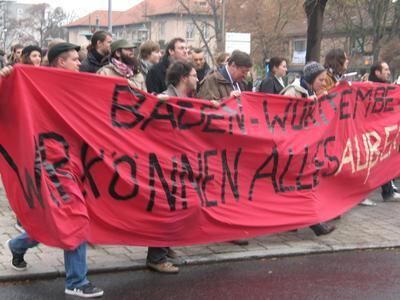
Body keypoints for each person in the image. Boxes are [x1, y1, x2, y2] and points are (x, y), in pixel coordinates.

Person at [1, 42, 104, 298]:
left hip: (75, 164)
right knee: (74, 216)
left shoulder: (80, 86)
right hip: (46, 165)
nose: (80, 63)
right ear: (60, 62)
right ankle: (76, 281)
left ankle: (17, 244)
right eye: (74, 59)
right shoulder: (32, 81)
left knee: (55, 220)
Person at [281, 61, 336, 236]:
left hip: (304, 147)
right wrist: (306, 105)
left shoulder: (309, 91)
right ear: (311, 79)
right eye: (320, 80)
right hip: (294, 148)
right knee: (304, 185)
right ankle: (315, 223)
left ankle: (292, 221)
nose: (323, 83)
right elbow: (285, 118)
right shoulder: (293, 92)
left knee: (299, 186)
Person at [368, 61, 400, 202]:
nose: (388, 72)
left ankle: (388, 190)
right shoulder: (368, 88)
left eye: (388, 69)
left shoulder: (388, 88)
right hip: (372, 132)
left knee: (384, 160)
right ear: (377, 72)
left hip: (384, 131)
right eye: (385, 69)